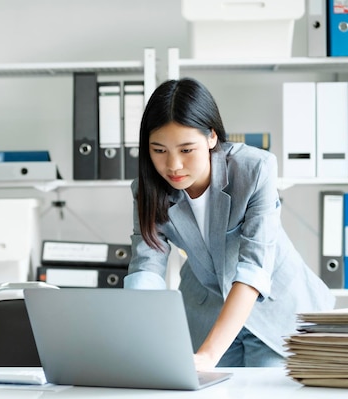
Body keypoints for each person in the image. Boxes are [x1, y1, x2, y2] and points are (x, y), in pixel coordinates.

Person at [124, 77, 335, 370]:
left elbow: (253, 268)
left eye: (186, 150)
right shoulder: (147, 189)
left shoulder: (255, 169)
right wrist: (137, 337)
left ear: (212, 137)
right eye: (159, 150)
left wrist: (209, 355)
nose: (173, 165)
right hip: (207, 310)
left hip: (275, 309)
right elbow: (146, 267)